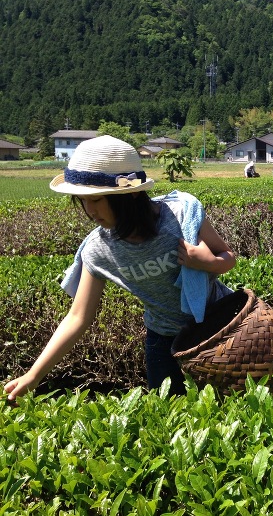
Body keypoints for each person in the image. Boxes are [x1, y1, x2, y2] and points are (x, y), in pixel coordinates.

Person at [4, 135, 236, 400]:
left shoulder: (181, 215)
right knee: (169, 417)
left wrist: (207, 263)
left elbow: (227, 257)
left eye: (98, 199)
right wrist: (33, 375)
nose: (89, 210)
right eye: (83, 200)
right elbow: (78, 317)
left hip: (221, 326)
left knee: (226, 406)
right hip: (163, 342)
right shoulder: (98, 250)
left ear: (131, 193)